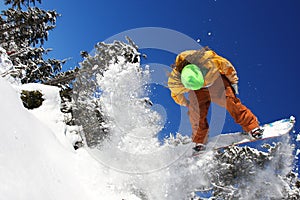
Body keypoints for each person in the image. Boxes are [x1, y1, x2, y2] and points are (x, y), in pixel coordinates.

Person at [168, 47, 263, 152]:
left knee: (231, 102)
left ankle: (251, 126)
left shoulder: (208, 61)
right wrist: (186, 103)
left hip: (216, 82)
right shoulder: (175, 81)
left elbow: (227, 67)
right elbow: (176, 94)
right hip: (197, 92)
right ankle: (200, 139)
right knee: (195, 113)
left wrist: (233, 82)